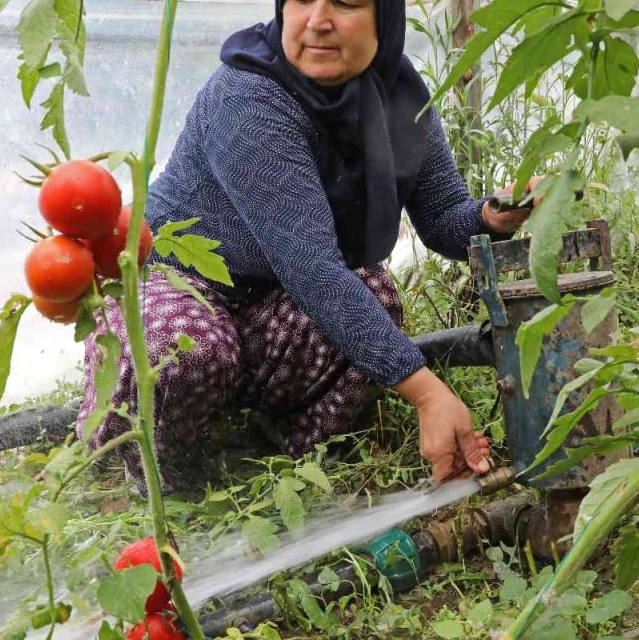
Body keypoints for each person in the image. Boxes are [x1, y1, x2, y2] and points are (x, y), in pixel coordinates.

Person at [75, 0, 540, 493]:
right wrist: (427, 394)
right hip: (176, 286)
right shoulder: (250, 95)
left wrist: (493, 215)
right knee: (181, 353)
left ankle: (271, 466)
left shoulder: (397, 91)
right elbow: (315, 271)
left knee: (374, 294)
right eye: (300, 0)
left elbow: (444, 219)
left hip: (264, 301)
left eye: (345, 3)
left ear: (383, 17)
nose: (317, 21)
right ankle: (165, 482)